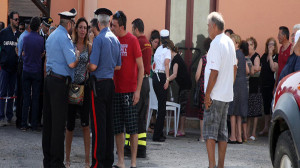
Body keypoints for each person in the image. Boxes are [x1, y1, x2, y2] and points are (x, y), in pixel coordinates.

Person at [42, 8, 79, 168]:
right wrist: (77, 54)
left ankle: (48, 160)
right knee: (58, 125)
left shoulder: (52, 35)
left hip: (50, 80)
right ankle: (57, 162)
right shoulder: (64, 37)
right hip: (59, 83)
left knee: (49, 124)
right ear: (70, 24)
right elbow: (71, 63)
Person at [87, 8, 121, 168]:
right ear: (108, 22)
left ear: (98, 23)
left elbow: (93, 66)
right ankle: (107, 160)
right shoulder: (115, 39)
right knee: (108, 125)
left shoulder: (99, 39)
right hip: (110, 83)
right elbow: (118, 66)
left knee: (98, 125)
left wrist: (87, 66)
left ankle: (98, 162)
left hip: (99, 84)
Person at [111, 11, 144, 168]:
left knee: (132, 128)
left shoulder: (132, 40)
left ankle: (133, 162)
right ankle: (121, 161)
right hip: (116, 90)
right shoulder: (113, 40)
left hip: (130, 91)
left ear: (122, 26)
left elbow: (141, 68)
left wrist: (137, 91)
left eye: (114, 25)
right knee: (118, 128)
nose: (111, 28)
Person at [204, 12, 237, 168]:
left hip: (215, 95)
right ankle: (220, 165)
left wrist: (207, 94)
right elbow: (234, 67)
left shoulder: (216, 42)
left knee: (210, 133)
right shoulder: (230, 42)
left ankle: (212, 165)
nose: (207, 29)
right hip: (225, 94)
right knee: (223, 133)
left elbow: (214, 71)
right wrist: (228, 85)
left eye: (208, 26)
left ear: (214, 26)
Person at [65, 17, 91, 168]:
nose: (83, 30)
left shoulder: (90, 46)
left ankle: (87, 160)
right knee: (69, 125)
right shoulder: (71, 44)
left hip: (84, 87)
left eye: (85, 28)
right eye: (80, 27)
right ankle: (67, 158)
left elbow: (93, 65)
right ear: (76, 29)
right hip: (72, 87)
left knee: (85, 124)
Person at [123, 18, 151, 158]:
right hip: (146, 82)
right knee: (141, 116)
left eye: (132, 29)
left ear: (136, 29)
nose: (132, 31)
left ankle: (129, 147)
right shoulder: (147, 43)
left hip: (138, 82)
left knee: (132, 115)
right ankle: (141, 148)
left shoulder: (137, 42)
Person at [20, 17, 44, 131]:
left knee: (26, 98)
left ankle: (24, 124)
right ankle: (34, 124)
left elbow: (23, 53)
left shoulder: (25, 38)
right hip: (36, 71)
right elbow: (41, 53)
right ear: (39, 26)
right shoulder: (41, 39)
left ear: (30, 26)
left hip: (26, 70)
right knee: (35, 99)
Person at [0, 11, 21, 126]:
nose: (18, 21)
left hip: (14, 69)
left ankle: (9, 116)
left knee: (11, 93)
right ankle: (1, 116)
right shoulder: (3, 33)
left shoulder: (19, 35)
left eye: (18, 19)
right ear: (11, 20)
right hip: (4, 68)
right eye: (16, 19)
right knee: (2, 93)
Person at [227, 34, 249, 144]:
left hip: (235, 84)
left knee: (232, 112)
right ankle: (239, 136)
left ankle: (233, 136)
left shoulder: (234, 54)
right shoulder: (242, 54)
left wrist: (231, 83)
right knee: (239, 112)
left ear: (236, 43)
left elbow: (234, 69)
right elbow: (247, 70)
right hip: (243, 84)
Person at [168, 40, 192, 137]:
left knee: (182, 107)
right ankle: (178, 128)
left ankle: (182, 130)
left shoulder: (176, 60)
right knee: (180, 106)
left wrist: (167, 79)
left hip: (185, 86)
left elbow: (174, 74)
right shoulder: (176, 57)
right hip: (183, 85)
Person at [152, 29, 171, 142]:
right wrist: (167, 79)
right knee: (162, 108)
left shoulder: (158, 49)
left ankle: (159, 133)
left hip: (155, 76)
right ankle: (157, 135)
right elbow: (166, 64)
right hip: (162, 77)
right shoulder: (167, 50)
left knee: (160, 106)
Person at [259, 37, 278, 136]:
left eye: (272, 44)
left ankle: (272, 129)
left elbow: (273, 68)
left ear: (275, 46)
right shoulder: (263, 56)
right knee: (266, 107)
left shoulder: (276, 56)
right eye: (269, 44)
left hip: (272, 85)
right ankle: (266, 127)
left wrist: (271, 56)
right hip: (264, 85)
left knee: (272, 107)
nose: (270, 46)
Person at [195, 37, 211, 142]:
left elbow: (197, 75)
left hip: (203, 88)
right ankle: (210, 136)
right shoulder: (216, 59)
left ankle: (202, 136)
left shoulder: (203, 59)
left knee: (202, 112)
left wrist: (199, 81)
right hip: (213, 88)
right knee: (211, 112)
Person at [246, 37, 262, 141]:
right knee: (248, 111)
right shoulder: (247, 56)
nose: (248, 46)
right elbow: (255, 69)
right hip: (248, 85)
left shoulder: (256, 56)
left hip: (255, 86)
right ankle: (247, 132)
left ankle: (253, 133)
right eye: (247, 44)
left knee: (255, 111)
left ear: (254, 46)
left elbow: (257, 68)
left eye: (250, 44)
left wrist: (250, 69)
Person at [15, 19, 30, 128]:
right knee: (22, 94)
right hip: (23, 66)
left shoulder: (23, 36)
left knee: (21, 94)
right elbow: (22, 54)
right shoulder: (26, 37)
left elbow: (18, 52)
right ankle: (20, 120)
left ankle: (19, 120)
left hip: (21, 64)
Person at [39, 17, 53, 127]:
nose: (47, 28)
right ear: (42, 25)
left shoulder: (48, 37)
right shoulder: (38, 36)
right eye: (46, 26)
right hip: (38, 68)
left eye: (48, 26)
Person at [148, 29, 160, 133]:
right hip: (148, 78)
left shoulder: (157, 52)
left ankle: (153, 122)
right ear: (151, 40)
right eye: (155, 42)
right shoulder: (148, 51)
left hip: (154, 79)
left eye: (157, 42)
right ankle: (149, 123)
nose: (156, 44)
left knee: (154, 101)